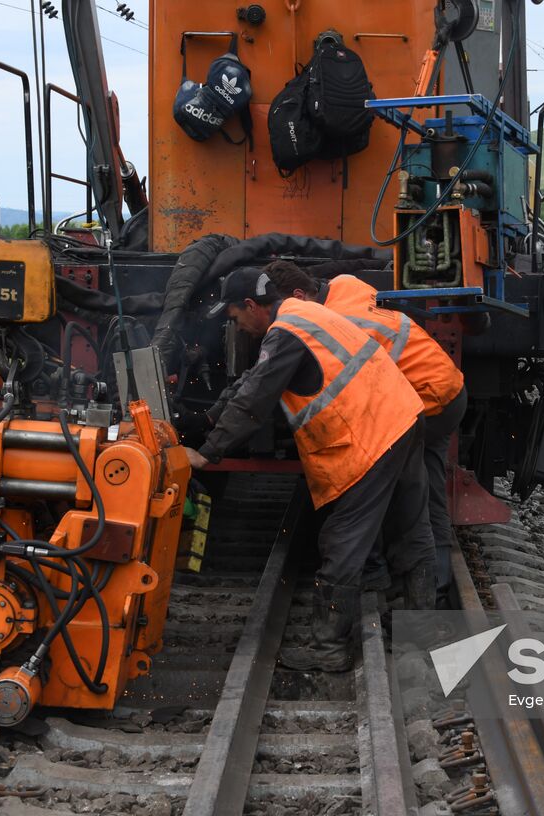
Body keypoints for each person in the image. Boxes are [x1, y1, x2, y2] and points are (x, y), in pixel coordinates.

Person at [186, 267, 436, 672]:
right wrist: (211, 416)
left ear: (251, 306)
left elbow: (255, 397)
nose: (240, 328)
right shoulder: (304, 315)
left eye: (235, 318)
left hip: (371, 433)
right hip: (403, 416)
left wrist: (207, 453)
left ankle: (328, 649)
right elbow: (255, 378)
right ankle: (421, 634)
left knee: (343, 538)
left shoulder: (286, 331)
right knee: (409, 529)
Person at [261, 260, 466, 605]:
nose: (281, 319)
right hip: (446, 386)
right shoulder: (345, 285)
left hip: (425, 399)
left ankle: (400, 579)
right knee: (419, 487)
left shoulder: (331, 325)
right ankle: (427, 584)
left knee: (387, 487)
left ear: (298, 297)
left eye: (281, 309)